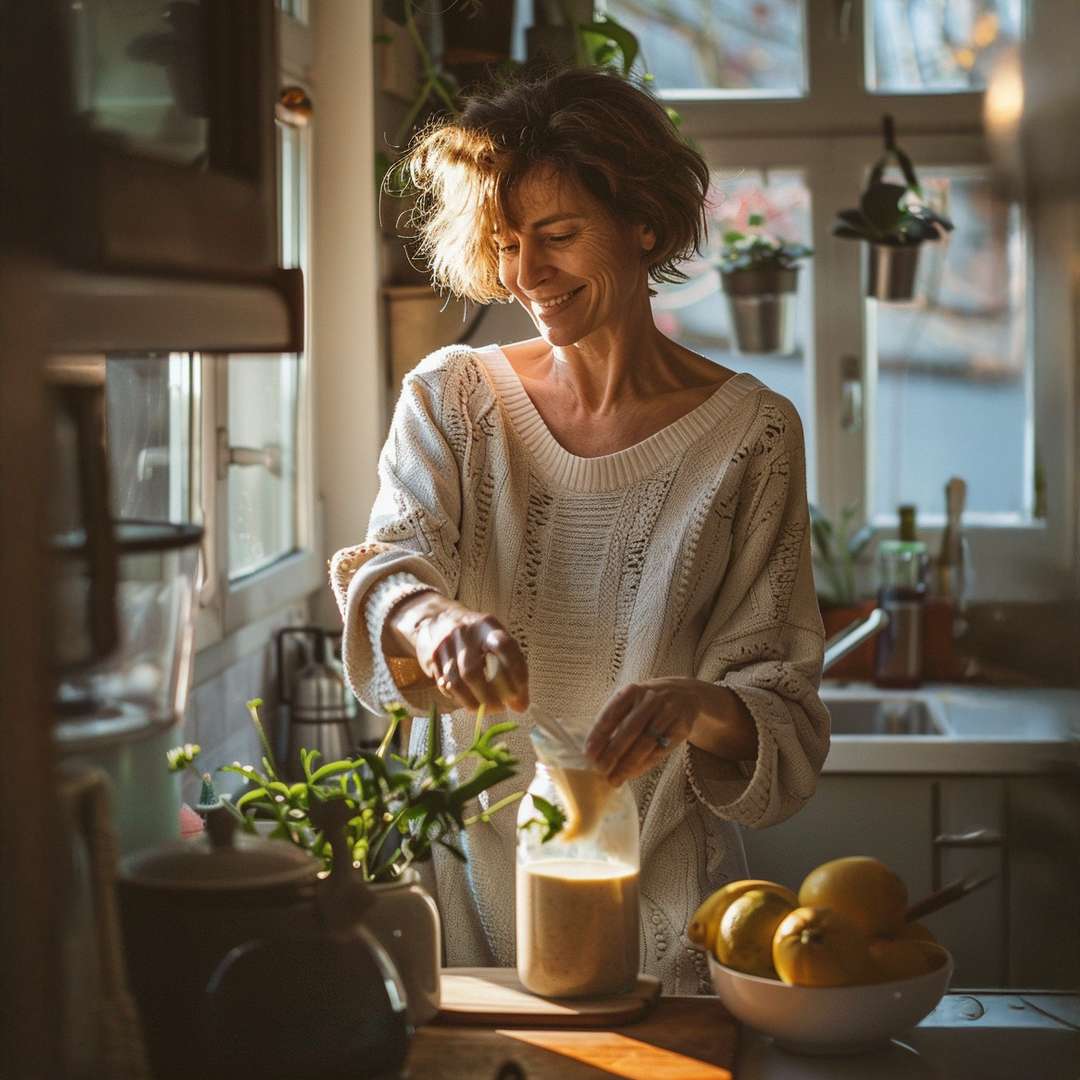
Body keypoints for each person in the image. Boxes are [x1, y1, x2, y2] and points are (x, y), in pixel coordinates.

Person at [331, 67, 829, 994]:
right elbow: (393, 568)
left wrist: (694, 705)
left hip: (661, 922)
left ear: (644, 223)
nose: (527, 276)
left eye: (558, 237)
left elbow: (781, 702)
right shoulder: (451, 399)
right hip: (454, 916)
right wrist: (437, 626)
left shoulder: (752, 435)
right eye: (508, 244)